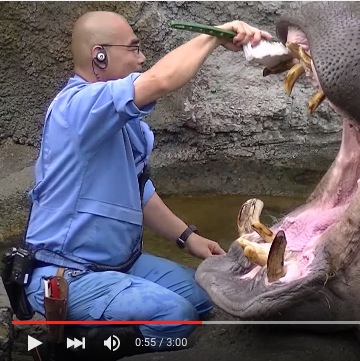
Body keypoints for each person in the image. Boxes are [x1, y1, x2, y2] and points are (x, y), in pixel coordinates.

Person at [22, 10, 272, 360]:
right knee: (175, 318)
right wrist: (215, 35)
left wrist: (189, 238)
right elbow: (161, 80)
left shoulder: (125, 123)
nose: (141, 58)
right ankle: (54, 347)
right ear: (99, 55)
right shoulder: (75, 108)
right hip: (67, 273)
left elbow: (140, 192)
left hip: (120, 264)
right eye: (134, 48)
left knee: (204, 300)